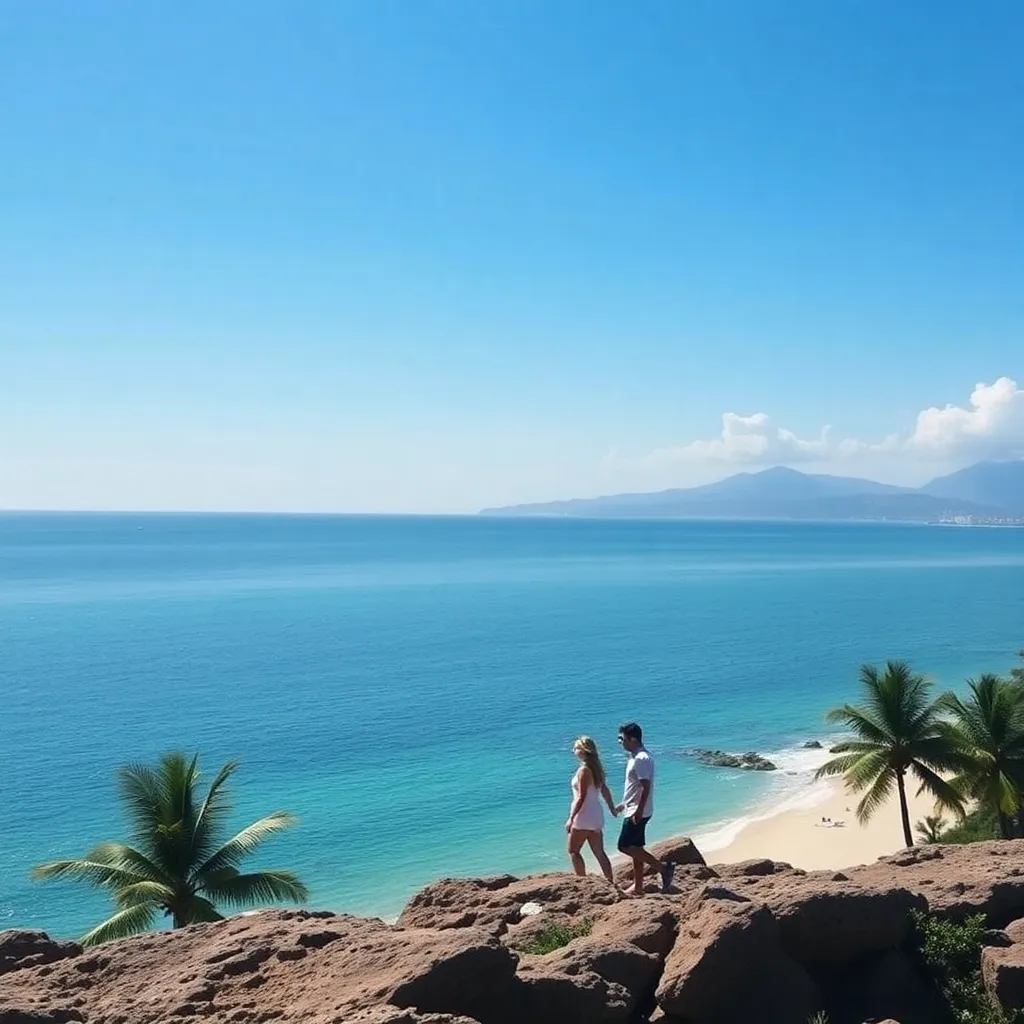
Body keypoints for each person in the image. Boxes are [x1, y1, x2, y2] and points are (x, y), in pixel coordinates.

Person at [615, 722, 674, 896]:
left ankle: (663, 869)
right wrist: (624, 803)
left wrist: (638, 810)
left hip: (638, 810)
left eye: (622, 738)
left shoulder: (641, 758)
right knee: (636, 848)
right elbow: (634, 787)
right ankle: (638, 887)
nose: (620, 742)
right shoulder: (635, 756)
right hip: (633, 807)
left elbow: (645, 786)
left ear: (632, 739)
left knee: (624, 845)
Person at [565, 736, 618, 883]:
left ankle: (582, 881)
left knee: (573, 851)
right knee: (599, 852)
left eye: (576, 748)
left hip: (583, 815)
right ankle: (610, 881)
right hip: (596, 815)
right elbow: (605, 791)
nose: (574, 751)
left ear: (583, 750)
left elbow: (581, 797)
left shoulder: (584, 770)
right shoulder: (597, 768)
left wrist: (571, 818)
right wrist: (612, 809)